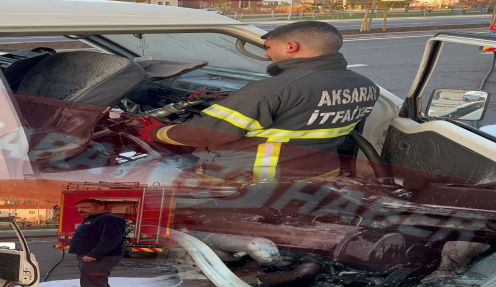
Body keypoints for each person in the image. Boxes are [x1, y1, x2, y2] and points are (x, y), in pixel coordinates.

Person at [150, 21, 379, 182]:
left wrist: (155, 132)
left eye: (269, 47)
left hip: (258, 181)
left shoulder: (272, 89)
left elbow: (208, 134)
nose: (268, 55)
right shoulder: (367, 86)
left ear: (291, 46)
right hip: (320, 174)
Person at [68, 198, 126, 287]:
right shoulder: (94, 219)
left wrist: (94, 255)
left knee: (92, 281)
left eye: (85, 207)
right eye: (78, 208)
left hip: (99, 257)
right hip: (91, 256)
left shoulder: (109, 219)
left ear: (100, 207)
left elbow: (111, 239)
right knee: (98, 280)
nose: (80, 210)